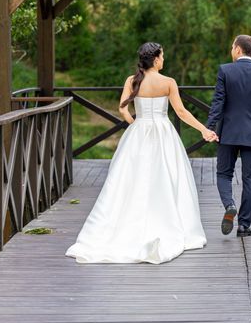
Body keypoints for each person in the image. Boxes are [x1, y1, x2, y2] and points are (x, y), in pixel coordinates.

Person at [65, 42, 218, 264]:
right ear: (156, 59)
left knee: (131, 179)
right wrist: (204, 129)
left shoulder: (132, 80)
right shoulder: (168, 82)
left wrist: (134, 123)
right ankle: (167, 221)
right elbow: (182, 112)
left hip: (139, 132)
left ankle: (127, 223)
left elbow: (122, 108)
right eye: (162, 56)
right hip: (163, 134)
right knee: (166, 177)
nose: (164, 60)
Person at [206, 35, 251, 237]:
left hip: (227, 133)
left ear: (238, 49)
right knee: (250, 179)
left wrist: (209, 128)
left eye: (232, 47)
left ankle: (230, 205)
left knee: (223, 174)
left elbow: (218, 103)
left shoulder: (225, 71)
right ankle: (244, 225)